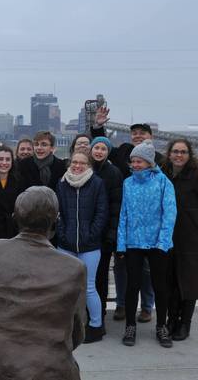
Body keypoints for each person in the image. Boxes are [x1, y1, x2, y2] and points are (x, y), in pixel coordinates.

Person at [0, 186, 86, 380]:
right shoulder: (74, 268)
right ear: (56, 221)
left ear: (14, 218)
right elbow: (77, 334)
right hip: (53, 370)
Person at [92, 106, 158, 322]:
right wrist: (98, 127)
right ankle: (121, 305)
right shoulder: (123, 151)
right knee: (121, 266)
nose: (138, 136)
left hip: (148, 225)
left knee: (147, 269)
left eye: (143, 133)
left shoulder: (160, 159)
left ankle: (147, 307)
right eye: (135, 133)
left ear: (151, 137)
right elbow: (101, 149)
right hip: (124, 222)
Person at [117, 140, 177, 348]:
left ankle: (162, 326)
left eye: (139, 161)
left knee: (160, 286)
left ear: (149, 162)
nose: (135, 164)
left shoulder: (163, 182)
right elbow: (123, 214)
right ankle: (130, 326)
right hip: (133, 243)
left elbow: (170, 214)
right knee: (132, 286)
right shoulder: (128, 183)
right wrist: (121, 244)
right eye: (133, 161)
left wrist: (163, 242)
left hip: (157, 244)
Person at [162, 139, 198, 341]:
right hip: (168, 240)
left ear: (189, 155)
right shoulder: (163, 175)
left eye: (183, 152)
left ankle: (185, 323)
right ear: (169, 154)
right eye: (175, 151)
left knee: (189, 284)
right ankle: (171, 321)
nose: (179, 155)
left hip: (192, 242)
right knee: (170, 284)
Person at [56, 151, 108, 343]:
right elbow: (58, 213)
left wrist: (90, 235)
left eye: (82, 163)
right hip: (66, 245)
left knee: (88, 288)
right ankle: (68, 326)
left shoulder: (97, 183)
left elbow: (102, 213)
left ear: (89, 165)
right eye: (75, 162)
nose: (77, 166)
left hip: (90, 246)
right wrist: (62, 235)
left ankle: (96, 326)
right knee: (67, 288)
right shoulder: (62, 183)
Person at [89, 137, 125, 321]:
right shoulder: (84, 168)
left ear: (108, 152)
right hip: (85, 235)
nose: (99, 151)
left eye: (103, 148)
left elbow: (116, 206)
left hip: (104, 236)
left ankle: (100, 313)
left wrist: (112, 234)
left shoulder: (114, 173)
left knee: (100, 277)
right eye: (96, 147)